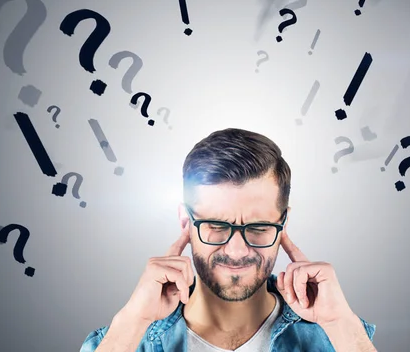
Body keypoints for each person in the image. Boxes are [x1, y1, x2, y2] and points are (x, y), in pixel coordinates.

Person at [80, 128, 377, 351]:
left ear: (283, 223)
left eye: (259, 227)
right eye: (216, 226)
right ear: (186, 221)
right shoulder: (128, 338)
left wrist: (341, 324)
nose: (237, 251)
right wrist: (132, 321)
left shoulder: (335, 338)